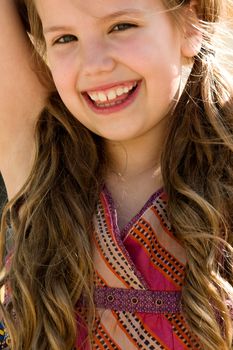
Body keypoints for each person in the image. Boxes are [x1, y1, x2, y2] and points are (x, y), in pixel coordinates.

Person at [0, 0, 233, 349]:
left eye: (121, 26)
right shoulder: (41, 163)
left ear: (190, 22)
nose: (95, 64)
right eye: (65, 38)